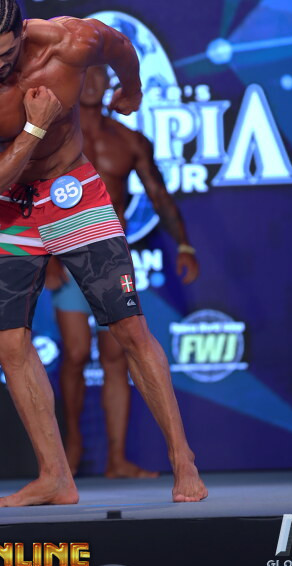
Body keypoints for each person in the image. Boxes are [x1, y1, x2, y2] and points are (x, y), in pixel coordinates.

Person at [0, 0, 207, 507]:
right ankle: (55, 477)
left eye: (7, 53)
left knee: (129, 329)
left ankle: (183, 459)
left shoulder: (69, 41)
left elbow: (119, 44)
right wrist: (34, 128)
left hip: (73, 191)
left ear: (23, 32)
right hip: (10, 203)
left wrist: (131, 89)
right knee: (8, 342)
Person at [47, 64, 199, 478]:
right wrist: (48, 256)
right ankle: (72, 448)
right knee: (76, 354)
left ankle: (116, 458)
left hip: (111, 256)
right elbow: (37, 196)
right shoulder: (57, 138)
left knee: (117, 356)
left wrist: (184, 243)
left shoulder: (128, 140)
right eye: (87, 77)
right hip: (67, 252)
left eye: (101, 77)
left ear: (111, 86)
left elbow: (159, 195)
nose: (93, 84)